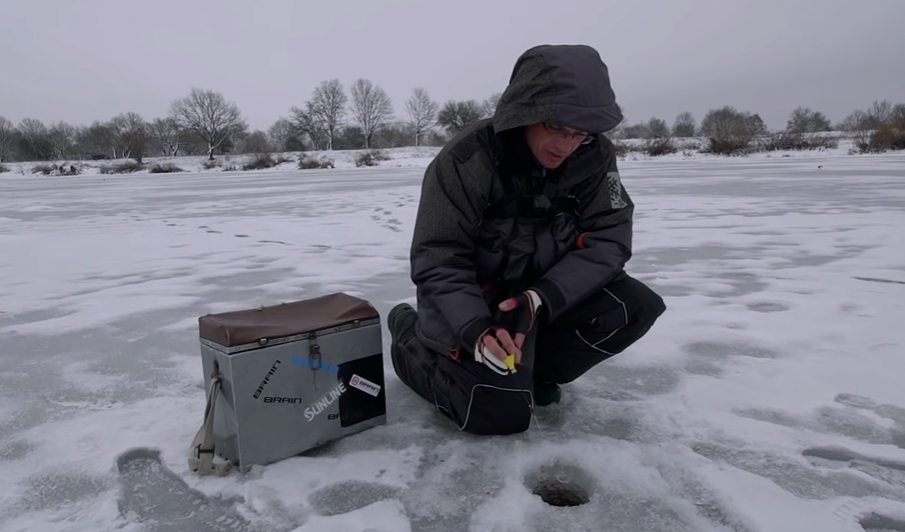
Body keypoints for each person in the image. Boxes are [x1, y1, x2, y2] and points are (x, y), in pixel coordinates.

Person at [387, 43, 666, 436]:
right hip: (474, 305)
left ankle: (530, 375)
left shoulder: (594, 155)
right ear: (525, 113)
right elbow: (439, 256)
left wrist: (542, 297)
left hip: (539, 299)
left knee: (634, 307)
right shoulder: (466, 161)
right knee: (498, 415)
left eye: (579, 133)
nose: (566, 146)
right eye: (555, 127)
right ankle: (407, 338)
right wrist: (476, 330)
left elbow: (611, 235)